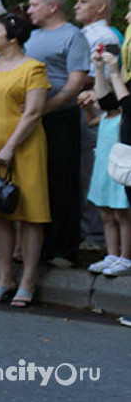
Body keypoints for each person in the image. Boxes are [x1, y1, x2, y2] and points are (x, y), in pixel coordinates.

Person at [0, 12, 50, 308]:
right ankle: (4, 278)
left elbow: (33, 112)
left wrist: (9, 148)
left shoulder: (34, 68)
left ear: (13, 36)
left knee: (30, 215)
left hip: (24, 147)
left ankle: (28, 281)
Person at [25, 0, 91, 266]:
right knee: (35, 181)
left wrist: (44, 108)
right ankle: (37, 247)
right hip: (29, 118)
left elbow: (75, 83)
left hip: (60, 119)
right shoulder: (29, 37)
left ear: (52, 7)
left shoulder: (73, 36)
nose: (28, 10)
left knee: (61, 180)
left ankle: (64, 249)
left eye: (33, 5)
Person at [75, 0, 121, 242]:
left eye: (83, 2)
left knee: (92, 173)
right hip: (86, 110)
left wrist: (70, 81)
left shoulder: (105, 36)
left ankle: (95, 236)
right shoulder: (86, 33)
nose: (76, 6)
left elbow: (102, 76)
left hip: (96, 112)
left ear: (101, 7)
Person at [82, 47, 131, 277]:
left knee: (122, 214)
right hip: (104, 168)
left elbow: (113, 100)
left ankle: (125, 257)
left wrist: (113, 71)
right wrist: (99, 69)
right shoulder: (108, 112)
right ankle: (111, 254)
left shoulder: (123, 111)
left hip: (120, 169)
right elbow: (104, 100)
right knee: (106, 214)